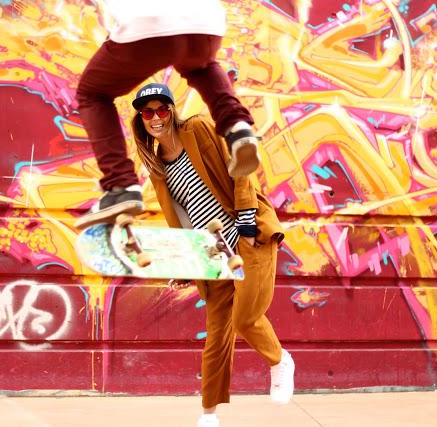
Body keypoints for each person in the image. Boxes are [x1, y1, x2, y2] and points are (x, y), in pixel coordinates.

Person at [129, 84, 295, 427]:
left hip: (249, 238)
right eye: (148, 112)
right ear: (141, 119)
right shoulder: (159, 166)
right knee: (217, 337)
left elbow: (240, 168)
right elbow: (183, 214)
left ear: (172, 110)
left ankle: (280, 361)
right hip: (213, 253)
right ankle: (208, 415)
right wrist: (187, 261)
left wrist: (247, 220)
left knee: (246, 319)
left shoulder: (198, 129)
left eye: (162, 109)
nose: (156, 118)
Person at [74, 0, 262, 229]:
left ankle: (120, 185)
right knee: (201, 66)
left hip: (150, 24)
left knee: (93, 94)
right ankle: (237, 127)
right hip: (206, 23)